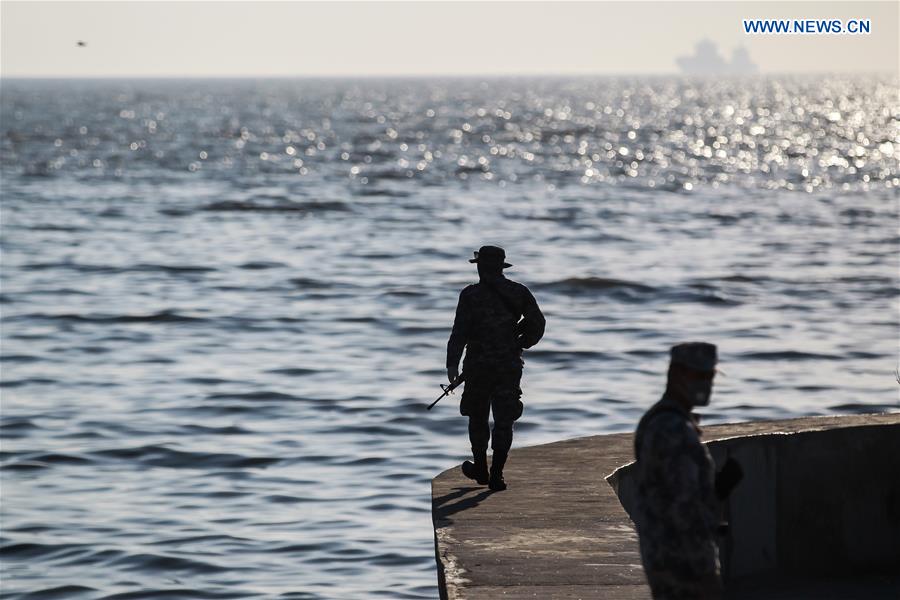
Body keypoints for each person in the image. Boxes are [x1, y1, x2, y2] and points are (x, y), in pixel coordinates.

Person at [633, 342, 742, 600]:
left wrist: (716, 489)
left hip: (668, 558)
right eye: (698, 375)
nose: (705, 383)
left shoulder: (667, 420)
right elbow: (684, 510)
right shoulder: (672, 429)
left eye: (710, 376)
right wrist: (703, 572)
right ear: (676, 374)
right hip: (682, 564)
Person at [446, 246, 545, 491]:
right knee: (504, 420)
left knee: (477, 417)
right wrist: (520, 343)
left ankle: (481, 468)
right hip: (507, 366)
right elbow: (538, 323)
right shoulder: (518, 292)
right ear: (501, 268)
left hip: (477, 367)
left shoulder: (470, 295)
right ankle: (497, 475)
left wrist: (452, 364)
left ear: (480, 267)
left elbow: (459, 332)